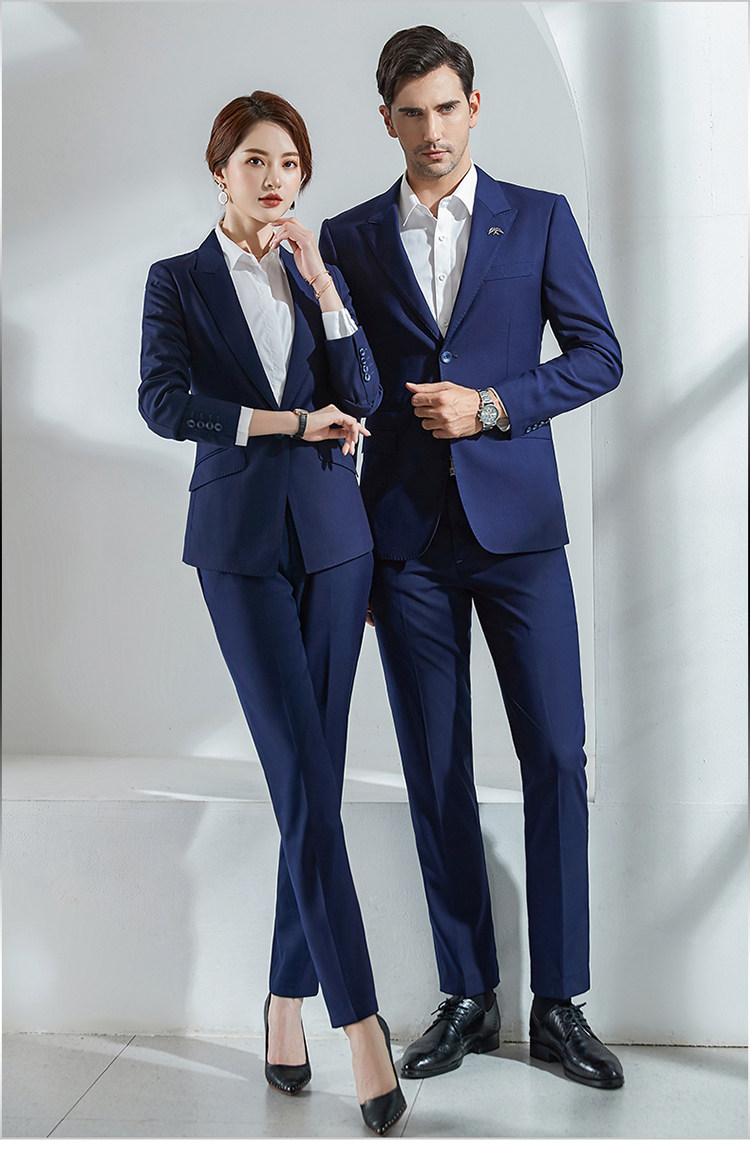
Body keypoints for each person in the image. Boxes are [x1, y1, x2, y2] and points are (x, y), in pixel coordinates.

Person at [320, 26, 625, 1089]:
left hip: (520, 535)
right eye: (412, 114)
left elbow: (599, 356)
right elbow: (342, 391)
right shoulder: (350, 237)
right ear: (387, 120)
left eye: (447, 108)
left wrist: (492, 405)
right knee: (435, 765)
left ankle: (560, 1002)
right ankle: (467, 992)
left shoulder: (537, 218)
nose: (433, 131)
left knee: (557, 759)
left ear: (475, 107)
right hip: (404, 541)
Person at [138, 92, 406, 1135]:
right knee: (301, 773)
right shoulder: (178, 281)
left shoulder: (312, 271)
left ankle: (284, 1002)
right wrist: (287, 422)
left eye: (289, 161)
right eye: (255, 160)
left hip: (337, 545)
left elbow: (366, 394)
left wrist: (327, 286)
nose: (275, 178)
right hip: (240, 549)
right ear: (221, 171)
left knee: (315, 781)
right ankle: (361, 1023)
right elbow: (164, 404)